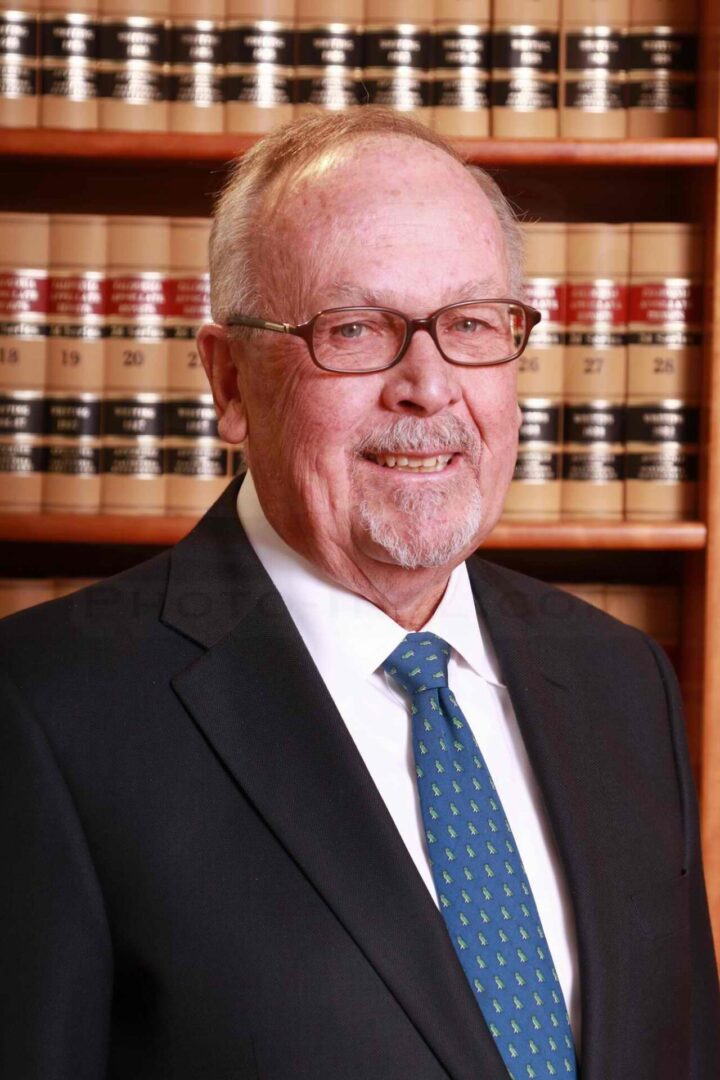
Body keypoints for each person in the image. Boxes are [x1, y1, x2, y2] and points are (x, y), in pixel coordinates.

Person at [0, 109, 717, 1080]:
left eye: (470, 324)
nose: (428, 386)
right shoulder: (42, 713)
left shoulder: (619, 677)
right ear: (229, 383)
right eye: (355, 329)